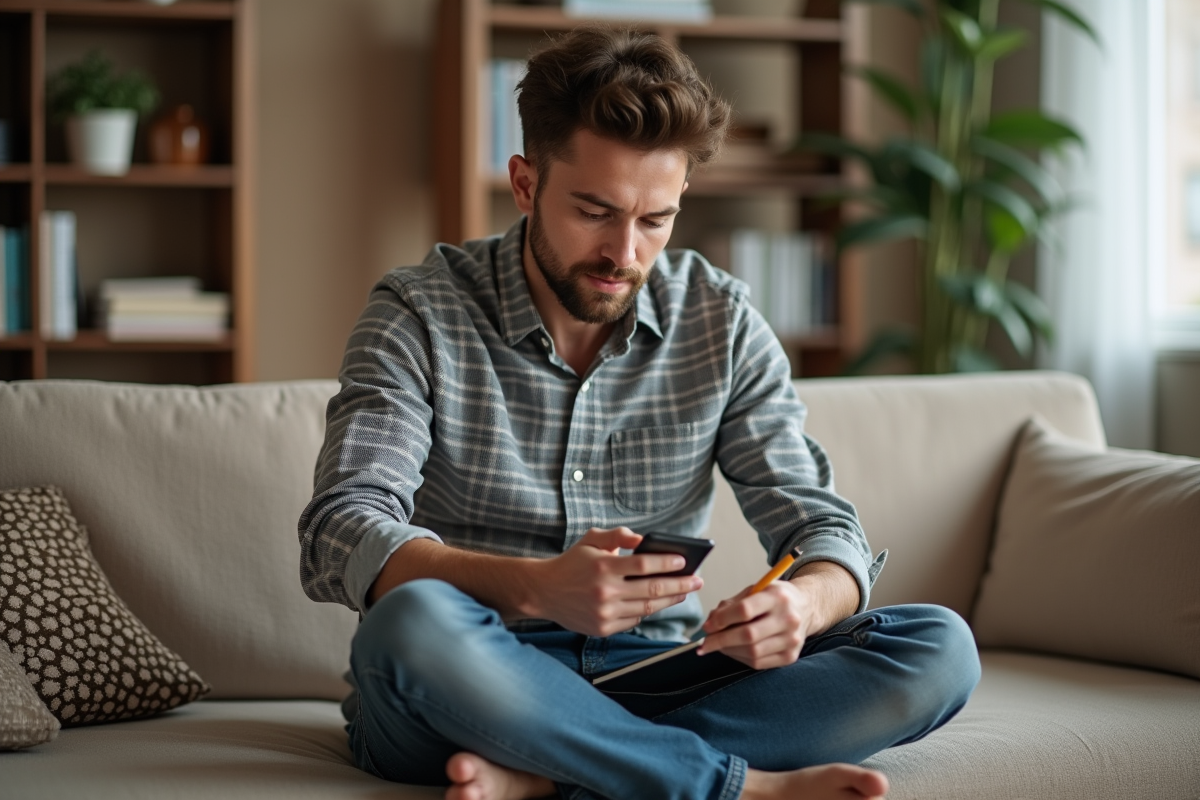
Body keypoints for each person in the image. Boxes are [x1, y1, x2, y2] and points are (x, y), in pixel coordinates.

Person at [299, 25, 980, 800]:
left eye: (655, 220)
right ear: (525, 185)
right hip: (470, 681)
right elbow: (341, 529)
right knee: (410, 623)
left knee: (938, 646)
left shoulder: (718, 320)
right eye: (594, 210)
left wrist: (803, 600)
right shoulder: (417, 312)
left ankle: (552, 773)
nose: (624, 251)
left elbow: (822, 529)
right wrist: (535, 588)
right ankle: (729, 785)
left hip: (659, 675)